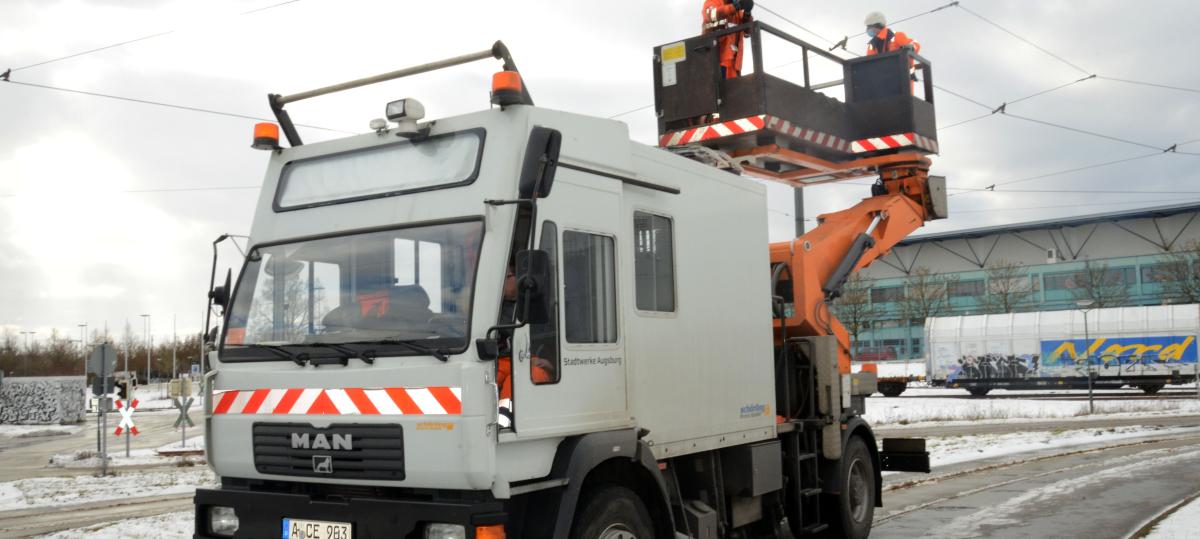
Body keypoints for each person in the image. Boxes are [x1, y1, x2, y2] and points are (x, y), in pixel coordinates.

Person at [496, 268, 554, 428]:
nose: (501, 282)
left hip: (531, 359)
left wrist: (550, 363)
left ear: (521, 277)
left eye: (507, 277)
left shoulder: (539, 307)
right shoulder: (493, 310)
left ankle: (503, 422)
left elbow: (555, 341)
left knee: (520, 378)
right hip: (501, 359)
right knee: (482, 377)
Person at [702, 0, 754, 79]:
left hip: (734, 65)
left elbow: (747, 32)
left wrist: (747, 13)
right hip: (716, 61)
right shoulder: (712, 2)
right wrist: (735, 7)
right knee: (721, 89)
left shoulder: (737, 12)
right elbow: (712, 15)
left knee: (733, 90)